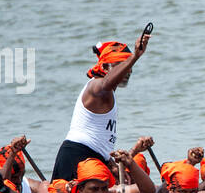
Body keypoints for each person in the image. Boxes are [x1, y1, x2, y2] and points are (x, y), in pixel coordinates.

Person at [52, 28, 152, 180]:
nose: (127, 71)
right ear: (105, 67)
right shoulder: (96, 85)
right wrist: (135, 56)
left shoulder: (108, 92)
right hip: (76, 156)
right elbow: (106, 84)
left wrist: (111, 163)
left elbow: (100, 140)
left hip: (96, 158)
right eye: (120, 65)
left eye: (128, 67)